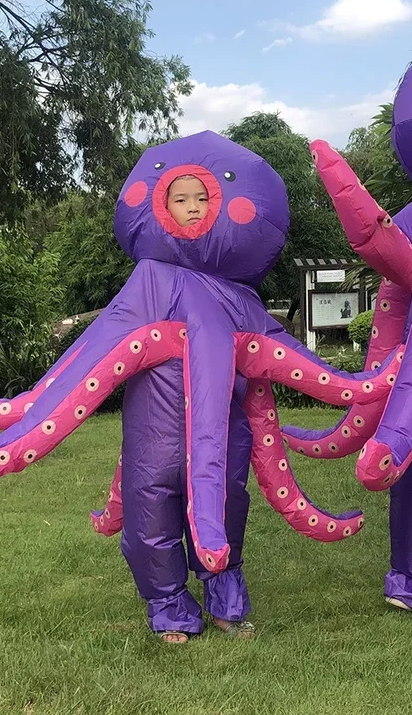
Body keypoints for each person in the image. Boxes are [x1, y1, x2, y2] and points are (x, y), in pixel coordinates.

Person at [120, 171, 254, 643]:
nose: (193, 207)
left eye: (202, 198)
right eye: (181, 199)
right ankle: (169, 605)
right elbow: (108, 340)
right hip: (153, 429)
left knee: (225, 500)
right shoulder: (147, 279)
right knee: (150, 508)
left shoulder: (235, 288)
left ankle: (225, 601)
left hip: (222, 428)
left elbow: (269, 347)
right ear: (162, 207)